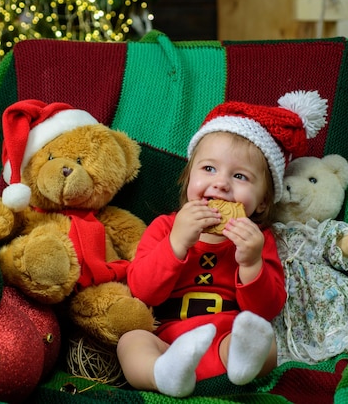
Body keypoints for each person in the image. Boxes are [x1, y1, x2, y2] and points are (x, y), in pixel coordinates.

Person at [117, 90, 328, 397]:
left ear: (262, 202)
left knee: (267, 344)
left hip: (228, 339)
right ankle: (163, 373)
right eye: (209, 169)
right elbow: (142, 290)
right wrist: (176, 244)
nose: (221, 183)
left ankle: (236, 367)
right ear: (189, 178)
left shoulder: (257, 239)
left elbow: (267, 309)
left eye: (240, 176)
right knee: (130, 342)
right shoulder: (166, 227)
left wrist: (252, 263)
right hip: (165, 339)